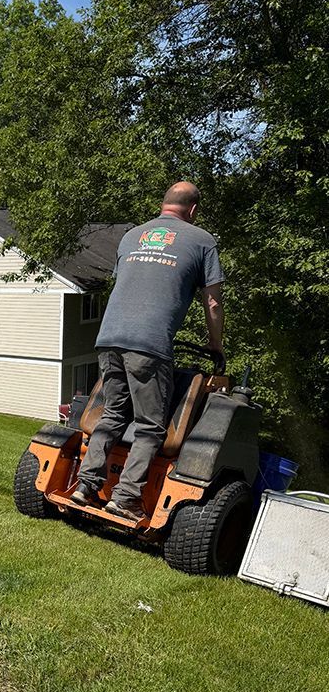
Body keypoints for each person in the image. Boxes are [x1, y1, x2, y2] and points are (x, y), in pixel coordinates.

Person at [72, 181, 225, 521]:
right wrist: (215, 344)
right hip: (150, 343)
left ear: (163, 205)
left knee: (112, 414)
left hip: (109, 337)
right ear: (194, 210)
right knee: (151, 426)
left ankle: (85, 485)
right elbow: (212, 300)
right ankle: (125, 498)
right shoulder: (202, 240)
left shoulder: (133, 236)